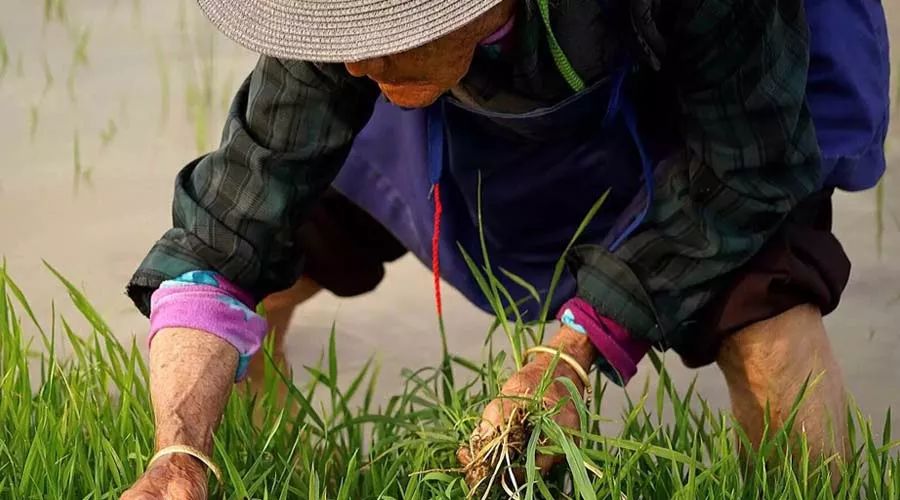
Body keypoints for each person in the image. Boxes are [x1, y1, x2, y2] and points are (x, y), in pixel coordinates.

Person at [120, 0, 891, 497]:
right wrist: (176, 456)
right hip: (468, 89)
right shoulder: (354, 40)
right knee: (279, 256)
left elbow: (748, 171)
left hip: (712, 107)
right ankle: (294, 475)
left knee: (768, 325)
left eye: (384, 27)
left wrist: (572, 352)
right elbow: (225, 231)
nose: (352, 61)